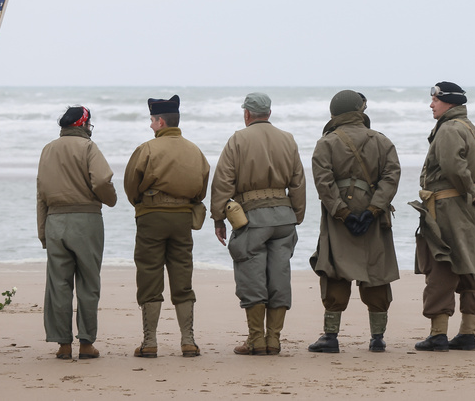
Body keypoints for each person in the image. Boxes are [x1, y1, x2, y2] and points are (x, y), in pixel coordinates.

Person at [210, 92, 307, 355]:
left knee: (252, 277)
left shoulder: (238, 139)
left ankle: (256, 340)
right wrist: (296, 215)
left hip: (253, 220)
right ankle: (274, 339)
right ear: (269, 113)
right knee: (279, 276)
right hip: (284, 219)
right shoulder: (287, 139)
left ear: (247, 114)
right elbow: (298, 182)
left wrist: (218, 217)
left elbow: (222, 182)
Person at [308, 90, 401, 353]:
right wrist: (373, 209)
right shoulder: (382, 141)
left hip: (340, 218)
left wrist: (343, 213)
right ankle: (378, 338)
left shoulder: (326, 143)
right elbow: (391, 177)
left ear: (334, 112)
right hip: (374, 217)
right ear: (359, 111)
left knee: (335, 271)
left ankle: (331, 337)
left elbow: (323, 183)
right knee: (376, 273)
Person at [411, 83, 475, 352]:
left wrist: (472, 192)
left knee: (442, 266)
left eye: (435, 100)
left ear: (448, 102)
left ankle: (438, 334)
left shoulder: (449, 129)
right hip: (471, 211)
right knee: (471, 269)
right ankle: (467, 333)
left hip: (448, 209)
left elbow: (453, 167)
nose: (431, 105)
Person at [124, 95, 210, 358]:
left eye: (152, 120)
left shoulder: (147, 149)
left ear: (161, 121)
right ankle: (188, 341)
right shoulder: (195, 150)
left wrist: (143, 203)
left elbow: (131, 185)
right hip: (183, 218)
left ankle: (150, 342)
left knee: (150, 276)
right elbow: (202, 187)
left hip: (152, 216)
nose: (151, 126)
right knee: (182, 276)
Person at [37, 106, 117, 360]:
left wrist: (42, 232)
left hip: (55, 221)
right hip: (86, 221)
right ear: (83, 124)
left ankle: (63, 345)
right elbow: (102, 181)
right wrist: (110, 200)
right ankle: (85, 344)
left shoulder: (47, 149)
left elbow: (41, 194)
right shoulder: (88, 148)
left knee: (58, 285)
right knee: (88, 284)